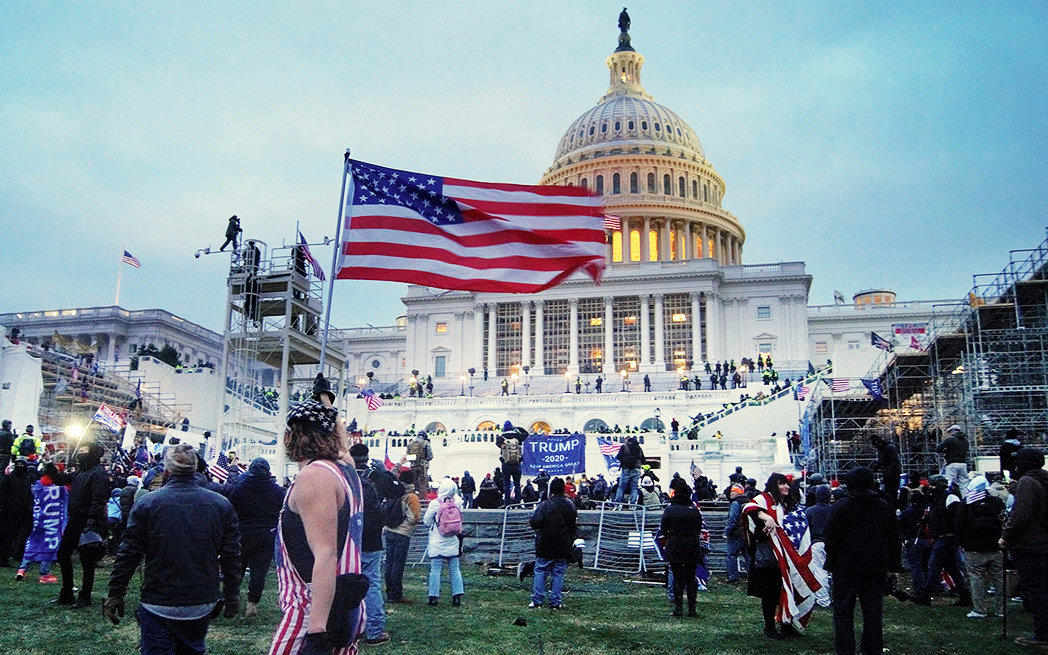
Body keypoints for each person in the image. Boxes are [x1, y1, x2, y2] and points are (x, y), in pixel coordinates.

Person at [103, 444, 241, 654]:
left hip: (158, 600)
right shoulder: (220, 505)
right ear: (195, 470)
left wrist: (116, 593)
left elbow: (128, 553)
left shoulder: (148, 503)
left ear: (166, 471)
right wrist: (232, 596)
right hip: (200, 601)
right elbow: (231, 556)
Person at [266, 400, 367, 655]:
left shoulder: (315, 476)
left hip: (312, 608)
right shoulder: (345, 470)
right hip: (344, 605)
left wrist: (316, 632)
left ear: (293, 436)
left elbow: (325, 554)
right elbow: (342, 448)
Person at [824, 467, 898, 655]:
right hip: (875, 567)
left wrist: (831, 562)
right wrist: (892, 566)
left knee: (843, 614)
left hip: (846, 567)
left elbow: (831, 537)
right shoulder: (883, 506)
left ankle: (845, 650)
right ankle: (872, 649)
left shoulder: (840, 507)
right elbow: (893, 538)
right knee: (873, 613)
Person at [742, 473, 820, 639]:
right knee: (770, 595)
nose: (786, 487)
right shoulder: (763, 500)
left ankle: (786, 624)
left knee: (786, 592)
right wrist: (766, 516)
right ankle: (770, 627)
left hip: (788, 558)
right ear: (773, 485)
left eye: (787, 484)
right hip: (769, 558)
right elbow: (749, 509)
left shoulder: (788, 504)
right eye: (781, 484)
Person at [1000, 447, 1048, 648]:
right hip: (1044, 542)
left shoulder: (1027, 482)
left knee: (1037, 592)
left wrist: (1005, 536)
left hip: (1031, 545)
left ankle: (1042, 635)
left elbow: (1020, 516)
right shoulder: (1043, 480)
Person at [53, 442, 110, 608]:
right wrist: (51, 464)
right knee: (63, 554)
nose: (80, 453)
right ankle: (67, 593)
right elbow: (60, 480)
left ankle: (85, 596)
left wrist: (92, 521)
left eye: (84, 451)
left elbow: (99, 499)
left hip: (89, 521)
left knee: (87, 561)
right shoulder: (81, 472)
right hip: (75, 519)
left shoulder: (98, 473)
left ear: (93, 454)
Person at [228, 457, 285, 618]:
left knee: (236, 569)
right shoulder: (277, 491)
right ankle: (252, 604)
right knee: (259, 571)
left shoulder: (239, 488)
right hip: (266, 535)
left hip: (242, 533)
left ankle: (233, 600)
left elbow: (231, 507)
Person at [349, 443, 390, 645]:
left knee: (347, 583)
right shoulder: (375, 481)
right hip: (371, 541)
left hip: (350, 541)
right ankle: (374, 630)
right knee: (371, 584)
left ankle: (351, 628)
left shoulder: (345, 480)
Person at [957, 475, 1005, 618]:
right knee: (998, 579)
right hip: (995, 546)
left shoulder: (966, 504)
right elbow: (1004, 520)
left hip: (973, 548)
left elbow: (959, 525)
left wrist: (962, 543)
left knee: (976, 578)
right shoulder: (997, 502)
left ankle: (979, 609)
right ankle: (1000, 610)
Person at [528, 477, 577, 609]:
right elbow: (573, 525)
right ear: (563, 489)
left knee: (540, 571)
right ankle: (555, 601)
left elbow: (534, 522)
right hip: (563, 545)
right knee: (558, 573)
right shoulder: (570, 505)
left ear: (551, 490)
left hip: (545, 544)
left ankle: (537, 600)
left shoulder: (544, 505)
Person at [16, 462, 65, 583]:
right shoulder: (57, 490)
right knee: (48, 545)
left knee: (32, 543)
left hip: (36, 521)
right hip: (51, 522)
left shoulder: (36, 486)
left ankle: (22, 569)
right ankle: (44, 574)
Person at [660, 478, 702, 617]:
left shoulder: (670, 510)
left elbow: (663, 529)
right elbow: (698, 528)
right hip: (692, 545)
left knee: (678, 578)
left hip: (675, 544)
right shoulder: (694, 510)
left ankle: (678, 608)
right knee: (691, 578)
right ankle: (692, 608)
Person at [423, 478, 464, 606]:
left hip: (437, 540)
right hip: (452, 540)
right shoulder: (458, 502)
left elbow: (427, 521)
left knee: (435, 569)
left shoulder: (435, 503)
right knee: (455, 569)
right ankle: (457, 595)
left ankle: (433, 596)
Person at [384, 469, 421, 604]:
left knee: (389, 563)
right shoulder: (411, 497)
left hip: (389, 530)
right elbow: (414, 517)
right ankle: (396, 595)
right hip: (402, 533)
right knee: (398, 564)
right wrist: (405, 525)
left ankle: (389, 592)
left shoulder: (393, 492)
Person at [1, 457, 34, 569]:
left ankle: (17, 555)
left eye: (22, 465)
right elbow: (3, 494)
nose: (20, 466)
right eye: (18, 464)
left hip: (23, 511)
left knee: (20, 535)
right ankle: (3, 558)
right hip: (9, 511)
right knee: (7, 536)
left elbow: (29, 494)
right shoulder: (9, 478)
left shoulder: (27, 479)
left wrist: (29, 507)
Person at [723, 484, 749, 583]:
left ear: (736, 492)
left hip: (736, 533)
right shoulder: (748, 502)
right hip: (746, 533)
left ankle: (733, 577)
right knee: (748, 556)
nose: (730, 494)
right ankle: (752, 576)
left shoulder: (735, 503)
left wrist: (727, 532)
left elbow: (732, 519)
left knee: (732, 555)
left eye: (732, 492)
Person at [937, 425, 970, 495]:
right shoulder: (966, 441)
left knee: (949, 482)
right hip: (963, 464)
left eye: (950, 432)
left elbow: (938, 449)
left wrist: (946, 451)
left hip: (952, 464)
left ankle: (951, 498)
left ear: (953, 431)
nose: (950, 434)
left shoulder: (950, 440)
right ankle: (965, 500)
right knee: (964, 484)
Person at [497, 425, 524, 506]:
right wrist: (517, 428)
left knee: (507, 484)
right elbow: (526, 433)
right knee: (517, 484)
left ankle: (507, 503)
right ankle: (517, 502)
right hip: (517, 464)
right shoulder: (518, 437)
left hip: (506, 464)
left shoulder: (502, 437)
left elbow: (497, 444)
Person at [614, 436, 645, 505]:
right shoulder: (638, 448)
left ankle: (618, 502)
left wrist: (624, 461)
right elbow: (643, 459)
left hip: (626, 469)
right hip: (636, 469)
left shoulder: (624, 447)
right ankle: (632, 503)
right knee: (634, 487)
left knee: (621, 487)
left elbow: (618, 457)